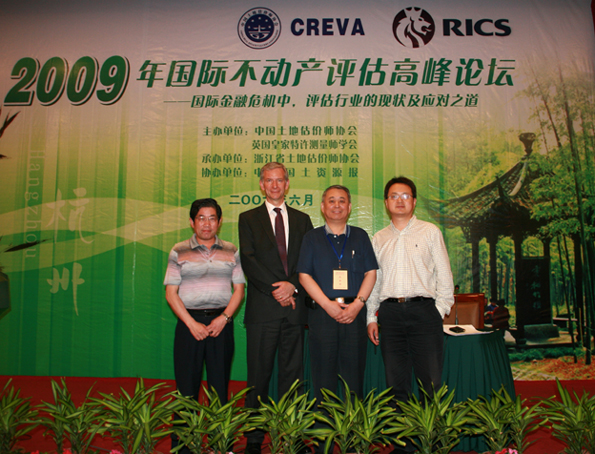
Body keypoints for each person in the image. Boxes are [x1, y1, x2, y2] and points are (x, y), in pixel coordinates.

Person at [367, 176, 454, 454]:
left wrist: (437, 311)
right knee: (396, 384)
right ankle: (403, 445)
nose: (400, 200)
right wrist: (371, 317)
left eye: (405, 195)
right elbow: (375, 281)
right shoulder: (379, 238)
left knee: (431, 383)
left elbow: (444, 275)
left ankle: (432, 443)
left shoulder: (430, 232)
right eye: (394, 196)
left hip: (424, 312)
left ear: (414, 201)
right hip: (390, 314)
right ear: (386, 203)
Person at [238, 162, 314, 454]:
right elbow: (249, 261)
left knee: (293, 379)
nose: (274, 185)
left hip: (294, 311)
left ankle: (292, 437)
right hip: (263, 311)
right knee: (257, 379)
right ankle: (254, 441)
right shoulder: (248, 218)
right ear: (261, 184)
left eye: (279, 180)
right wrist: (278, 290)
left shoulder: (302, 220)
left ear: (287, 183)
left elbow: (308, 261)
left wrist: (291, 285)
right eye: (268, 180)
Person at [297, 185, 377, 449]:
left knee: (353, 379)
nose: (337, 205)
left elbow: (371, 273)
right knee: (323, 380)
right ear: (323, 207)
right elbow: (304, 275)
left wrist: (358, 305)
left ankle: (352, 442)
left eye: (342, 201)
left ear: (350, 207)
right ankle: (323, 442)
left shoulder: (360, 236)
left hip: (355, 314)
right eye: (331, 201)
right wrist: (327, 305)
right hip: (322, 316)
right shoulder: (311, 238)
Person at [164, 198, 245, 453]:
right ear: (192, 222)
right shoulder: (178, 251)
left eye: (212, 218)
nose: (206, 223)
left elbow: (239, 290)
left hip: (222, 324)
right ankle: (183, 447)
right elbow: (171, 294)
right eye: (201, 218)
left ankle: (221, 444)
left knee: (219, 387)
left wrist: (224, 318)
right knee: (186, 389)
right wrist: (191, 324)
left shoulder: (231, 250)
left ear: (219, 222)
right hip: (189, 325)